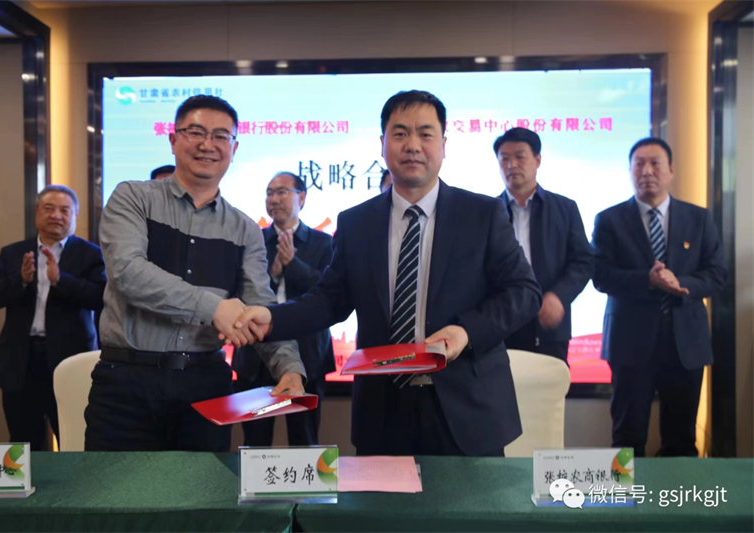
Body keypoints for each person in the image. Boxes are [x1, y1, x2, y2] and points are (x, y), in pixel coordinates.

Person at [231, 90, 541, 456]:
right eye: (400, 133)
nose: (412, 145)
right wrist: (271, 318)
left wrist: (466, 331)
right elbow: (329, 300)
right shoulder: (357, 222)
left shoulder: (482, 214)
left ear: (443, 144)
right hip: (383, 410)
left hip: (468, 408)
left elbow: (524, 292)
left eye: (425, 134)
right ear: (382, 144)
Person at [85, 95, 306, 452]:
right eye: (196, 132)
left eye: (220, 136)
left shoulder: (245, 229)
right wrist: (214, 308)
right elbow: (128, 272)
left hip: (207, 387)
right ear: (173, 140)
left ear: (234, 149)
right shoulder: (133, 197)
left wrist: (289, 367)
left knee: (202, 489)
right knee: (116, 487)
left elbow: (260, 304)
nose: (207, 144)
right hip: (126, 383)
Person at [592, 137, 726, 457]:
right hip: (630, 342)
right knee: (626, 439)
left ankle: (676, 491)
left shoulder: (699, 218)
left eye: (655, 163)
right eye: (639, 164)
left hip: (686, 344)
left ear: (671, 170)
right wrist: (648, 281)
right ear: (630, 171)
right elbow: (600, 276)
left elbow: (717, 275)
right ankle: (625, 492)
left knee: (681, 441)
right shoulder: (609, 220)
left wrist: (680, 283)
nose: (647, 171)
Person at [0, 185, 106, 451]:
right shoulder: (13, 253)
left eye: (64, 210)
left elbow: (100, 298)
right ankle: (26, 481)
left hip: (69, 359)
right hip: (21, 361)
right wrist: (20, 280)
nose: (56, 215)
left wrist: (61, 280)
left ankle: (73, 482)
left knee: (75, 441)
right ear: (37, 211)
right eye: (49, 208)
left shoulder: (91, 254)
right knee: (23, 442)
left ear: (75, 215)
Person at [233, 172, 335, 446]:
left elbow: (329, 294)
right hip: (256, 352)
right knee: (255, 440)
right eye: (269, 193)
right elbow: (241, 290)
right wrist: (274, 274)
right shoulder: (252, 240)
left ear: (301, 197)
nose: (274, 199)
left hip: (308, 353)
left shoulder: (323, 242)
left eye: (281, 192)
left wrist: (293, 264)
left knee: (305, 439)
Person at [495, 128, 593, 364]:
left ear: (537, 160)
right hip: (501, 325)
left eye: (520, 157)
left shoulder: (565, 209)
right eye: (504, 158)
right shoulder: (489, 212)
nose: (511, 165)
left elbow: (584, 261)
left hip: (548, 324)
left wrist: (559, 296)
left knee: (549, 386)